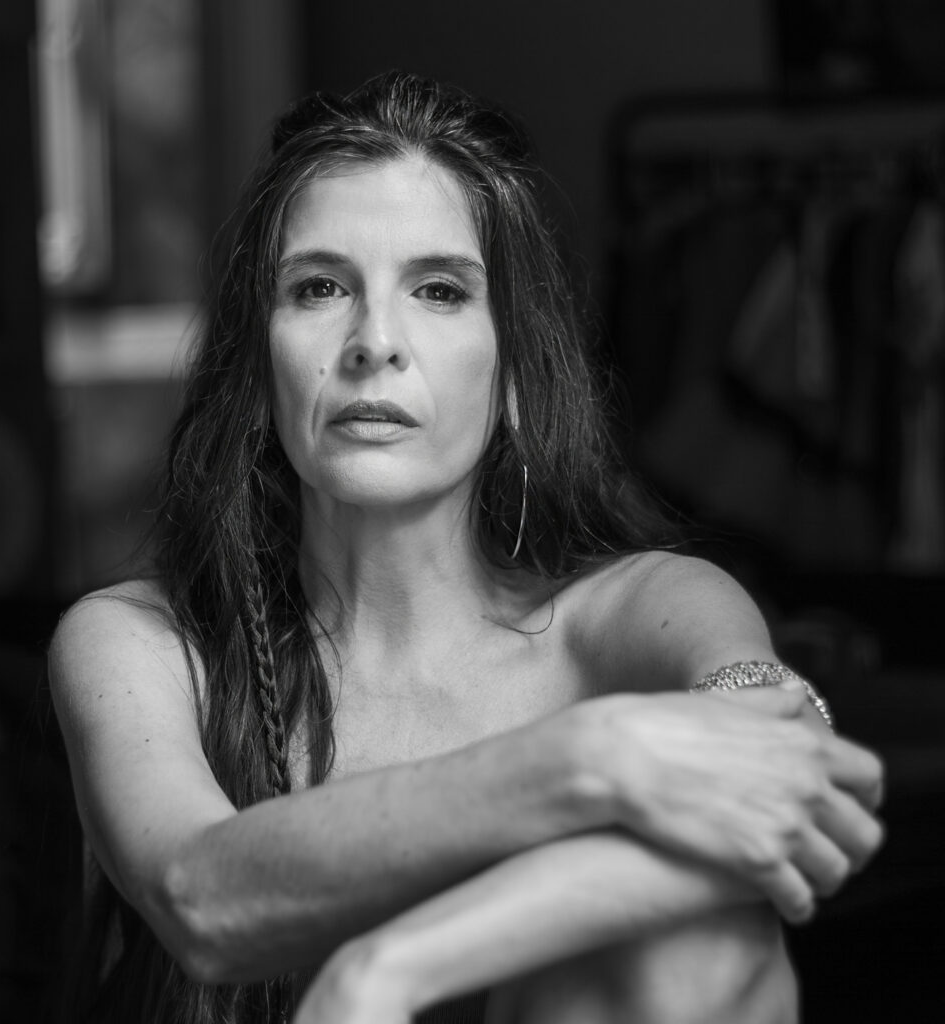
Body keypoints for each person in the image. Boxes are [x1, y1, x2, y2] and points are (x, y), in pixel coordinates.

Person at [49, 71, 884, 1024]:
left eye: (440, 291)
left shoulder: (643, 611)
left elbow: (794, 773)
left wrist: (391, 970)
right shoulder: (141, 643)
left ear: (515, 370)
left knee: (695, 945)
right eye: (319, 287)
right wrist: (590, 763)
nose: (374, 341)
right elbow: (199, 897)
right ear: (258, 362)